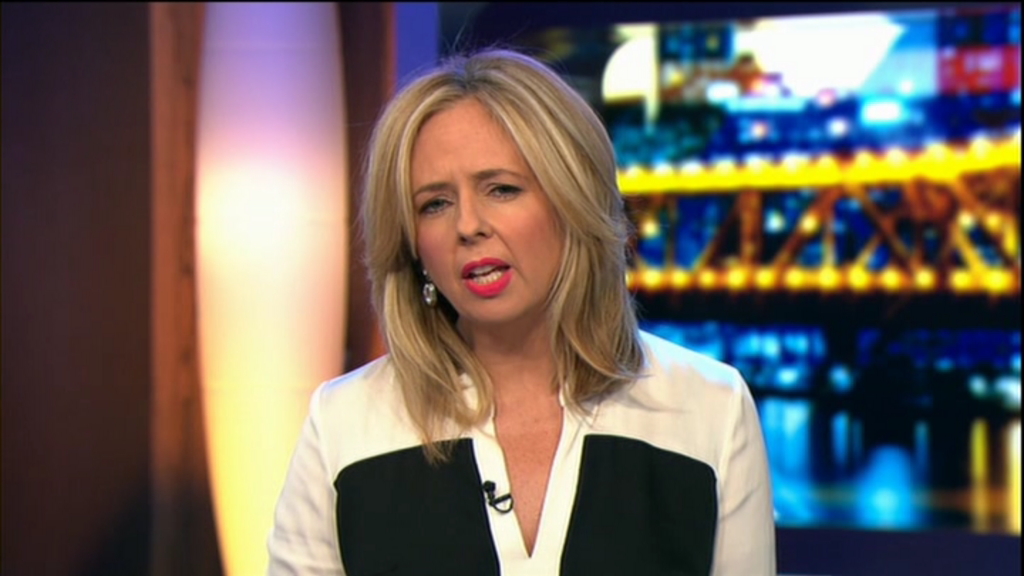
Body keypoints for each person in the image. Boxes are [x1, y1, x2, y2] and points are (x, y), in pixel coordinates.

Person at [267, 48, 776, 576]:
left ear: (573, 203)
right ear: (412, 244)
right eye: (435, 204)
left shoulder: (709, 408)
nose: (468, 225)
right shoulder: (345, 423)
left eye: (502, 189)